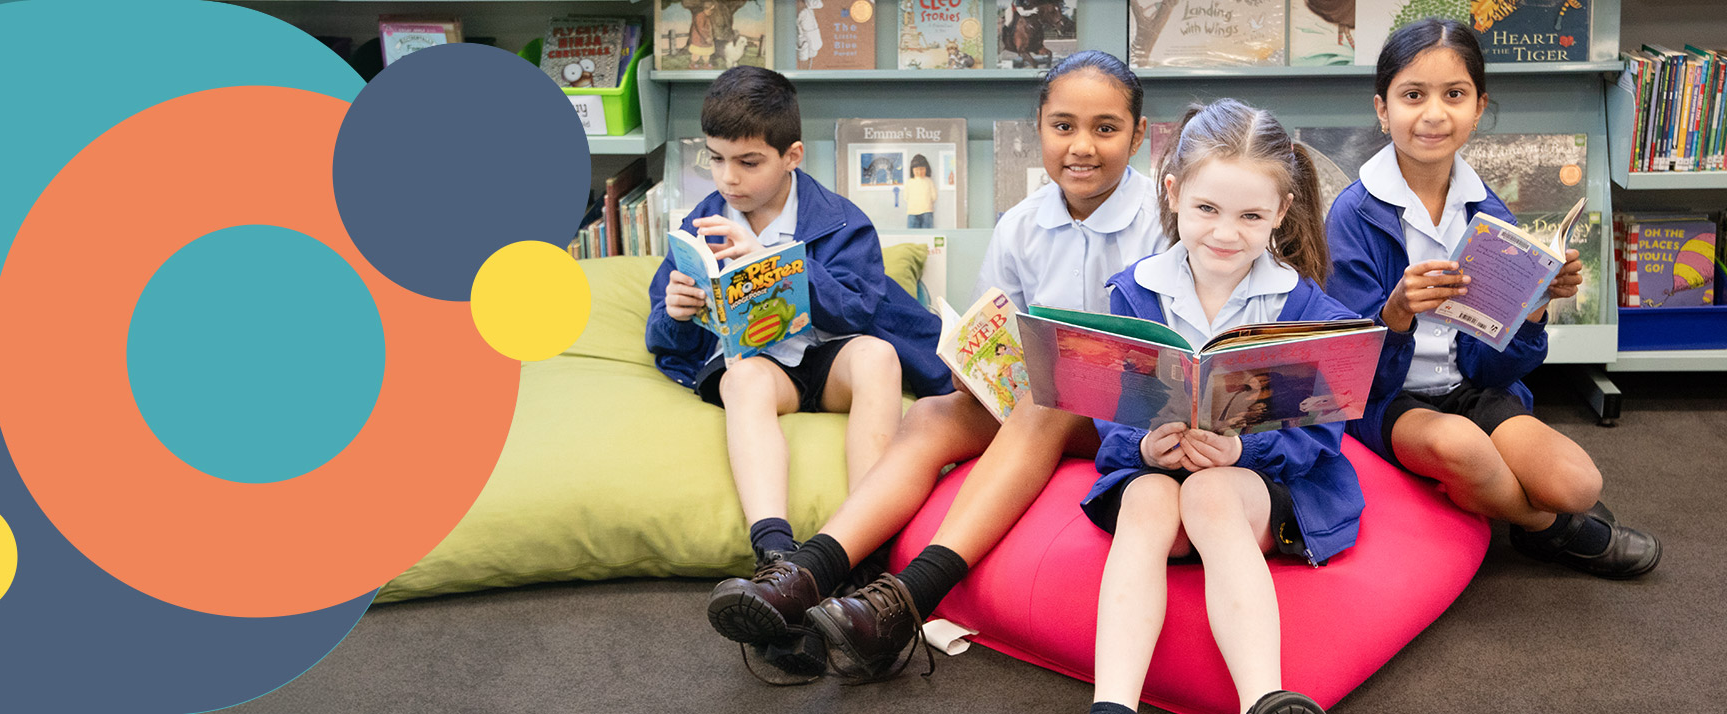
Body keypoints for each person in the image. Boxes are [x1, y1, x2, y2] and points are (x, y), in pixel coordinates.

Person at [702, 50, 1170, 683]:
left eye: (1105, 129)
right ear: (1039, 127)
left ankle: (907, 600)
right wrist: (972, 369)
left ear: (1138, 138)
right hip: (1039, 402)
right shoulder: (1020, 224)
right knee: (931, 413)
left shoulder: (1165, 222)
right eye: (1063, 126)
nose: (1081, 146)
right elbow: (999, 329)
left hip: (1134, 417)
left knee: (1047, 403)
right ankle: (805, 575)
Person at [1321, 18, 1660, 579]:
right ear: (1382, 110)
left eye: (1454, 95)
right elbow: (1351, 378)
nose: (1434, 114)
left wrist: (1533, 307)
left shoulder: (1490, 214)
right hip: (1387, 402)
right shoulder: (1352, 216)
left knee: (1578, 483)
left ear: (1479, 108)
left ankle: (1542, 510)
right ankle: (1548, 528)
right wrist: (1396, 313)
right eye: (1413, 95)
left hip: (1469, 387)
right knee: (1464, 448)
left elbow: (1493, 369)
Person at [648, 65, 954, 676]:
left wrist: (778, 262)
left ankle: (865, 552)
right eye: (716, 160)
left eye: (748, 162)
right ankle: (776, 558)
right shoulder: (700, 225)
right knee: (740, 377)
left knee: (880, 355)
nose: (729, 178)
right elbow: (667, 339)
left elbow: (862, 308)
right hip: (765, 367)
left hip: (828, 357)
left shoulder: (838, 217)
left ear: (791, 156)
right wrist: (676, 311)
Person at [1084, 98, 1376, 714]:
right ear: (1173, 194)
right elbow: (1110, 412)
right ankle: (1113, 704)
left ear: (1281, 213)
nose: (1224, 233)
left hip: (1257, 490)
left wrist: (1243, 449)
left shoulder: (1308, 311)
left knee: (1211, 492)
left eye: (1250, 216)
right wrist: (1144, 446)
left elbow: (1318, 436)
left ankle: (1264, 699)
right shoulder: (1134, 292)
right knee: (1146, 497)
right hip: (1158, 484)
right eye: (1207, 209)